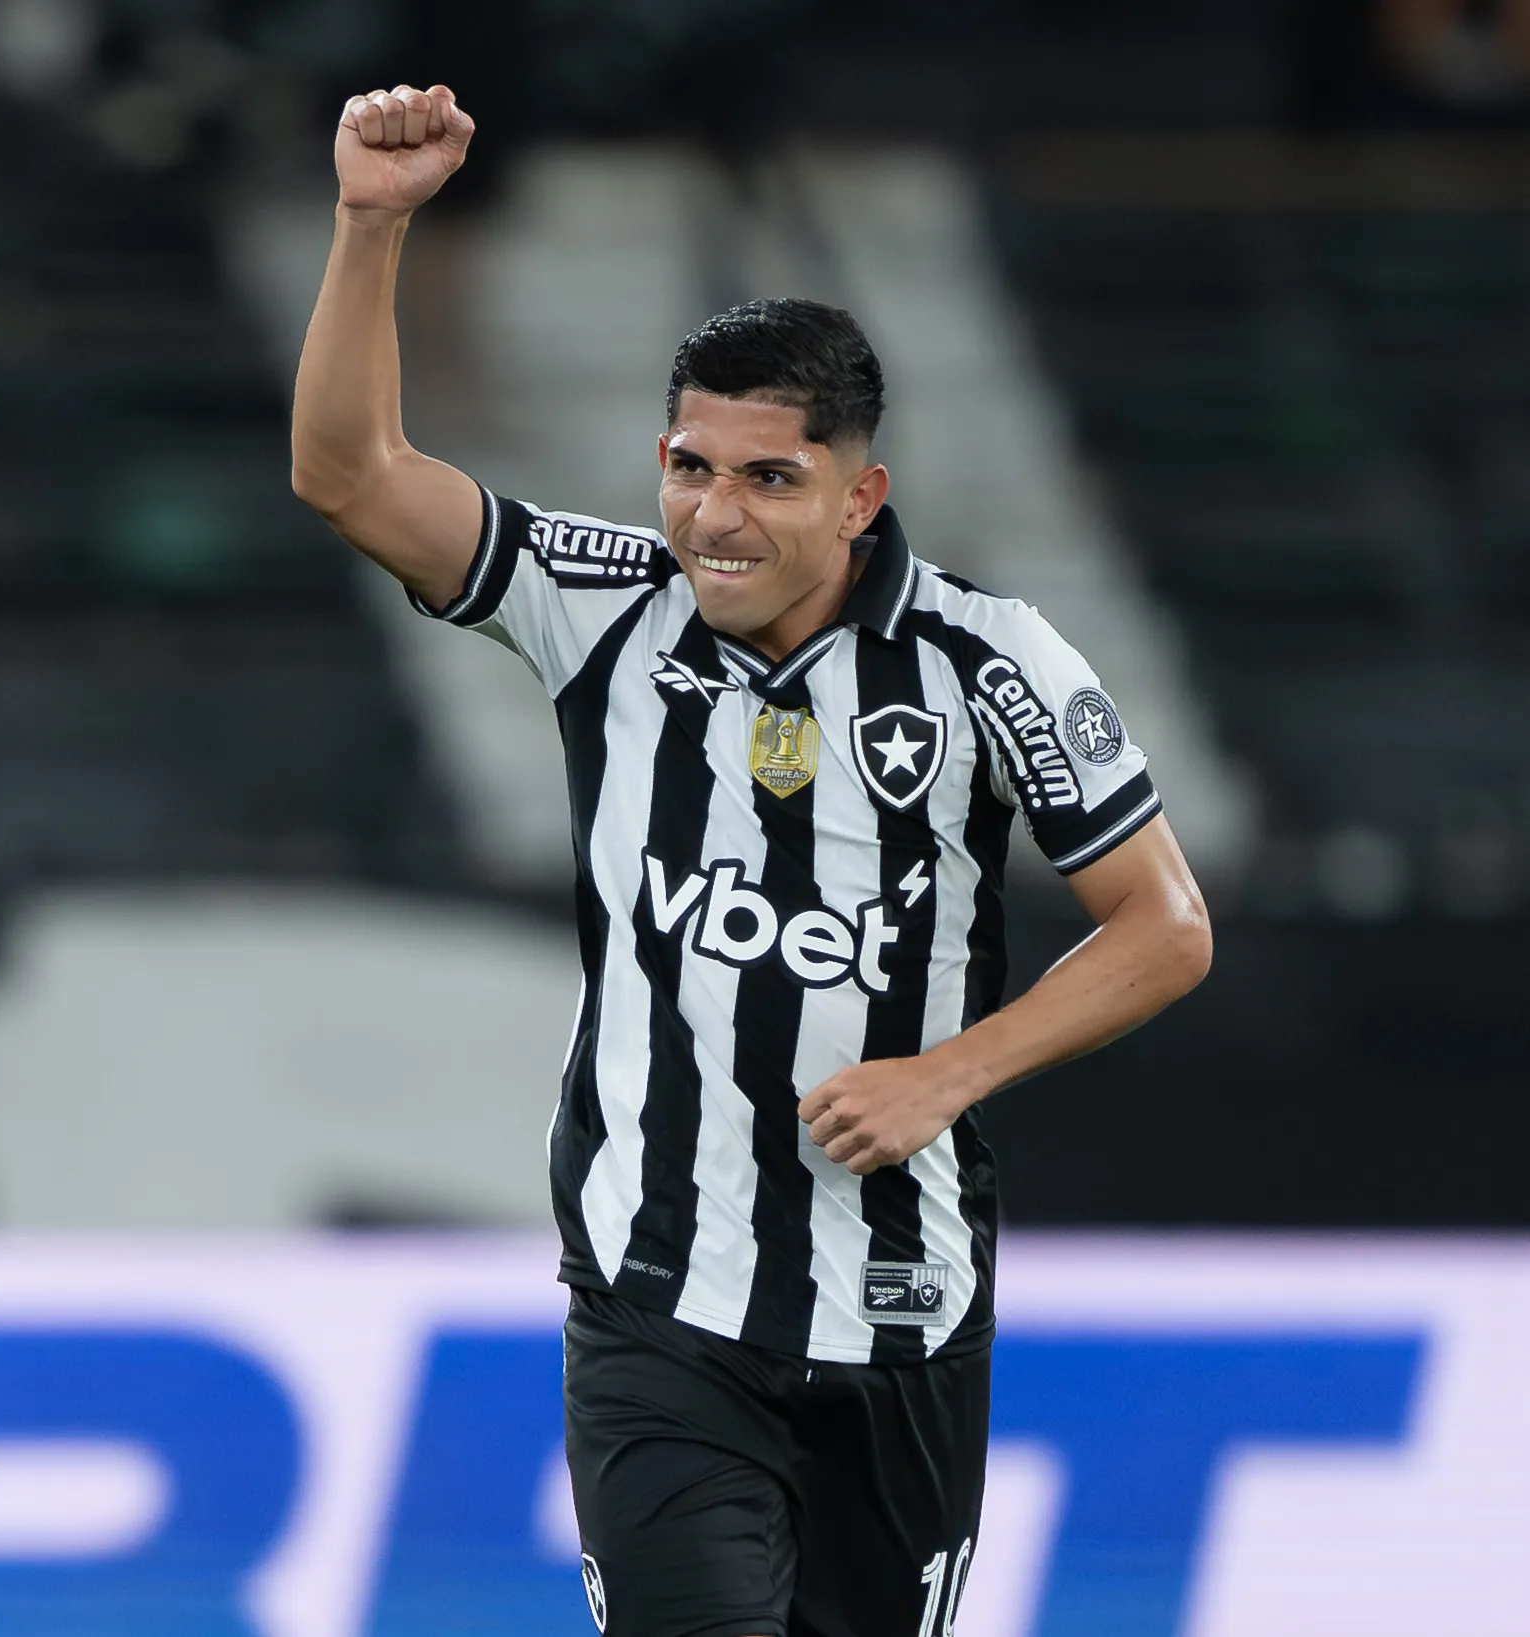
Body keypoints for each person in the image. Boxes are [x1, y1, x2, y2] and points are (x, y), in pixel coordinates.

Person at [290, 86, 1212, 1637]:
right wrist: (370, 222)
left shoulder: (989, 662)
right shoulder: (604, 608)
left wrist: (946, 1073)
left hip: (900, 1314)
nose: (711, 516)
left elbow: (1162, 926)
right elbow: (349, 475)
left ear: (858, 496)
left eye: (765, 479)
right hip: (656, 1310)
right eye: (686, 465)